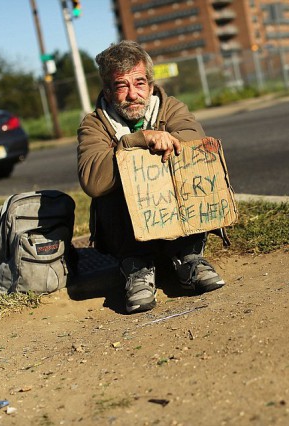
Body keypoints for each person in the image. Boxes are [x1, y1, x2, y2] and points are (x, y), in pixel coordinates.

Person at [77, 40, 225, 314]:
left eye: (140, 83)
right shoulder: (93, 124)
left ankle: (189, 258)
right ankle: (137, 269)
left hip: (179, 229)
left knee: (190, 163)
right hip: (128, 237)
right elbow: (93, 180)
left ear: (151, 84)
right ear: (108, 92)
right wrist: (136, 141)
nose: (133, 94)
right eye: (122, 86)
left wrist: (166, 141)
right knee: (113, 179)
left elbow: (195, 144)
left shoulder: (171, 108)